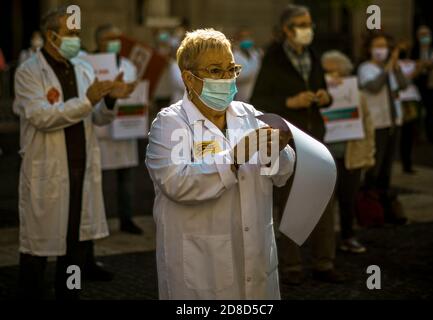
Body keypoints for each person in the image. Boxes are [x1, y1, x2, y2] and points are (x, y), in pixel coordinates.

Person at [146, 28, 296, 299]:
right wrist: (233, 159)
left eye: (231, 69)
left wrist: (279, 151)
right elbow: (175, 183)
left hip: (256, 254)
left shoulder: (249, 114)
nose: (227, 78)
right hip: (199, 263)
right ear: (188, 78)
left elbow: (281, 174)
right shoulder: (169, 123)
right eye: (215, 71)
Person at [13, 7, 135, 299]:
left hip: (81, 169)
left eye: (78, 34)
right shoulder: (29, 71)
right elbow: (41, 117)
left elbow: (96, 117)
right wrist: (88, 101)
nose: (76, 40)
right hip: (48, 171)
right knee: (38, 247)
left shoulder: (82, 66)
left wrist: (108, 102)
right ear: (50, 35)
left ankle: (69, 294)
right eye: (71, 34)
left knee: (76, 244)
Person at [251, 4, 343, 284]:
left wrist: (324, 97)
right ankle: (291, 265)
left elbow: (323, 89)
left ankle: (323, 262)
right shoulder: (274, 58)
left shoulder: (312, 55)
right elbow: (260, 102)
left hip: (316, 139)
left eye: (309, 24)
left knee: (323, 199)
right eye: (302, 25)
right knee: (289, 202)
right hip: (288, 141)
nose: (308, 30)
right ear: (287, 30)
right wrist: (289, 103)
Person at [321, 50, 376, 253]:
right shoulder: (319, 95)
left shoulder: (357, 96)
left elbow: (368, 126)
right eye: (327, 72)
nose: (332, 77)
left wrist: (369, 155)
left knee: (348, 199)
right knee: (324, 202)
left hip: (351, 156)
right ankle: (323, 244)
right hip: (325, 157)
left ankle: (348, 236)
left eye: (336, 72)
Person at [94, 24, 142, 234]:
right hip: (100, 127)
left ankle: (126, 219)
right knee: (97, 179)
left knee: (126, 177)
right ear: (98, 41)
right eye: (110, 38)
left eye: (118, 38)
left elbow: (136, 91)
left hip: (125, 126)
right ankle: (98, 221)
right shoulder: (88, 63)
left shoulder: (128, 65)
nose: (115, 42)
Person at [357, 31, 408, 224]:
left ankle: (384, 207)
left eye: (384, 46)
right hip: (376, 123)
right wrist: (387, 68)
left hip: (393, 122)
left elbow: (404, 84)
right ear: (369, 49)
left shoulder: (391, 68)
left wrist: (396, 67)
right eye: (377, 46)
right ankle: (369, 207)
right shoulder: (365, 68)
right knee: (373, 167)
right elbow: (375, 87)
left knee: (387, 168)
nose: (382, 50)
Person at [411, 25, 433, 144]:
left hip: (432, 84)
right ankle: (416, 137)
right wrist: (422, 64)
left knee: (430, 112)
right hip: (419, 84)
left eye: (426, 34)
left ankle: (432, 136)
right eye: (422, 35)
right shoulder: (415, 50)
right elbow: (412, 65)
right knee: (418, 112)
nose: (424, 37)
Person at [397, 40, 423, 174]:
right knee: (402, 134)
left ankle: (407, 164)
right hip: (400, 100)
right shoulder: (395, 64)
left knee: (409, 133)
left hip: (412, 99)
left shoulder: (413, 63)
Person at [232, 28, 262, 102]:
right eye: (243, 37)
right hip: (241, 95)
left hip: (257, 95)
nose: (246, 40)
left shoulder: (256, 54)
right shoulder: (233, 55)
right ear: (238, 39)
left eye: (247, 37)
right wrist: (253, 73)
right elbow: (235, 77)